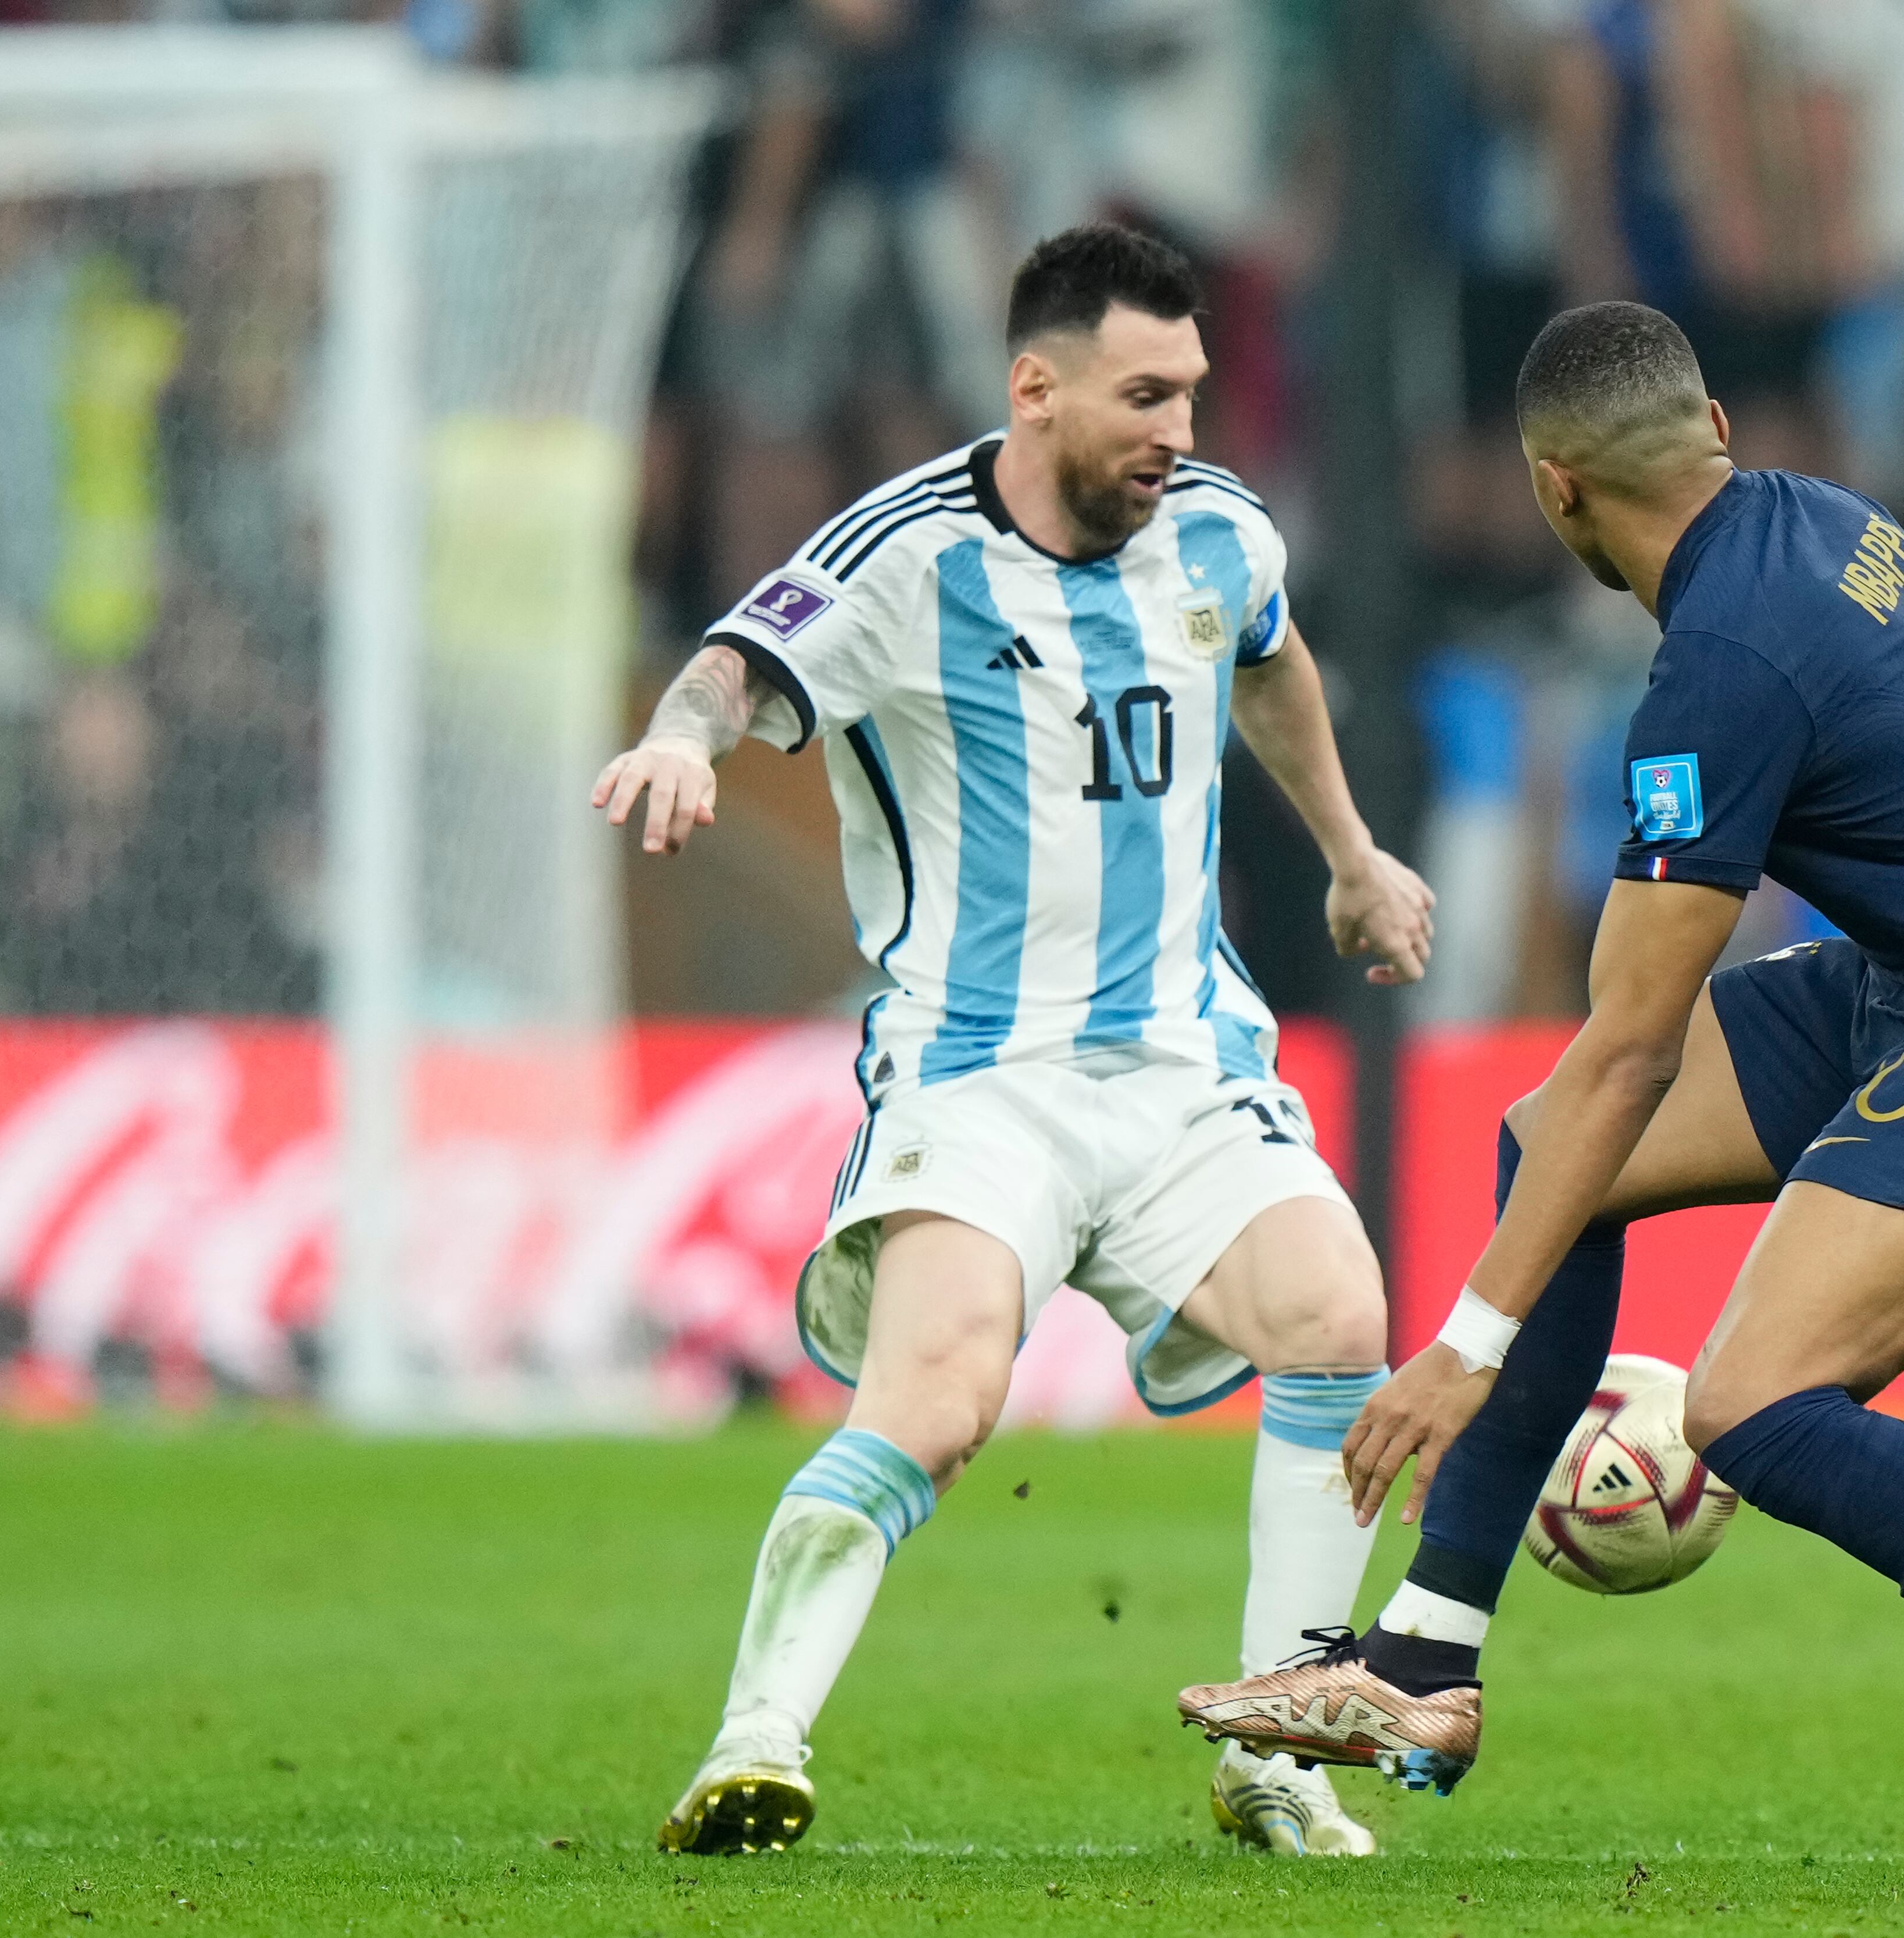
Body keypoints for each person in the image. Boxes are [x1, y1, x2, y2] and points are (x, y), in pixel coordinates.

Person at [1177, 302, 1904, 1898]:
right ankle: (1427, 1655)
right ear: (1710, 418)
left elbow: (1632, 1043)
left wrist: (1464, 1351)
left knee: (1750, 1405)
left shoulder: (1718, 675)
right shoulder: (1828, 517)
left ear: (1556, 490)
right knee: (1545, 1143)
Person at [598, 223, 1436, 1860]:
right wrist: (676, 738)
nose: (1178, 432)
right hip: (981, 1070)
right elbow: (732, 662)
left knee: (1341, 1310)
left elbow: (1271, 663)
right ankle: (755, 1735)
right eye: (1144, 395)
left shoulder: (1216, 534)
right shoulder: (903, 557)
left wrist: (1350, 851)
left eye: (1190, 394)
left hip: (1185, 1060)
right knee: (938, 1395)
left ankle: (1277, 1743)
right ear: (1035, 389)